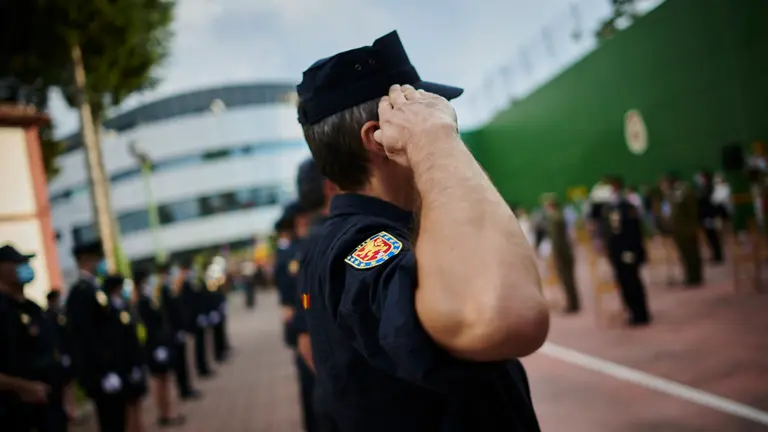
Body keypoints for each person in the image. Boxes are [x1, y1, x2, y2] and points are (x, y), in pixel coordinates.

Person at [295, 31, 548, 431]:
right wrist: (434, 141)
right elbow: (505, 317)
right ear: (377, 139)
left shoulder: (341, 240)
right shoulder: (361, 245)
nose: (445, 124)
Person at [66, 241, 134, 431]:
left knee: (118, 419)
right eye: (97, 259)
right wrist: (104, 371)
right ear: (85, 260)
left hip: (113, 367)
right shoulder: (80, 292)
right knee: (110, 420)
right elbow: (86, 337)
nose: (100, 263)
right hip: (102, 372)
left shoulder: (96, 288)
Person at [0, 244, 65, 431]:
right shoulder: (3, 311)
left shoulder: (33, 308)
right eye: (18, 262)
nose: (25, 266)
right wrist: (25, 387)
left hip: (51, 406)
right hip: (18, 413)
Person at [274, 200, 319, 432]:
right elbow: (297, 292)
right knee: (309, 380)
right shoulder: (291, 251)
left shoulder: (303, 245)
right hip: (302, 313)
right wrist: (295, 310)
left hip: (305, 310)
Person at [135, 269, 185, 427]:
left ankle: (167, 413)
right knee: (160, 381)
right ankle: (164, 414)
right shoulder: (142, 301)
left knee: (165, 380)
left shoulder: (149, 298)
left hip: (159, 345)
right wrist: (156, 347)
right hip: (153, 347)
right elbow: (148, 328)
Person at [603, 178, 652, 326]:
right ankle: (631, 311)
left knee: (633, 283)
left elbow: (634, 231)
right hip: (617, 254)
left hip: (628, 251)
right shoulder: (609, 208)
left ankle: (641, 314)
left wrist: (632, 250)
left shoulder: (627, 206)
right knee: (624, 284)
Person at [102, 275, 148, 432]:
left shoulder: (124, 307)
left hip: (133, 362)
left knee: (136, 402)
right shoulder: (108, 311)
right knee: (126, 408)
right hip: (122, 365)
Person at [158, 263, 201, 401]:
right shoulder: (162, 290)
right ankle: (183, 389)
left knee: (183, 361)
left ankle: (186, 387)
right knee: (179, 364)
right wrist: (175, 331)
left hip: (178, 330)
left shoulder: (171, 287)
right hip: (173, 332)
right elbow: (167, 314)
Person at [662, 173, 703, 286]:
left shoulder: (684, 192)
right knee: (685, 254)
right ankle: (690, 275)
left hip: (686, 228)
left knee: (692, 253)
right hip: (678, 229)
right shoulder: (672, 193)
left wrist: (691, 226)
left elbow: (690, 211)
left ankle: (695, 277)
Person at [542, 194, 580, 313]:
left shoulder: (554, 218)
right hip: (565, 251)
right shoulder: (558, 216)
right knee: (569, 279)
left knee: (566, 279)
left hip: (562, 253)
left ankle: (572, 304)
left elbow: (556, 239)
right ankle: (573, 302)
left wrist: (555, 254)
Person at [45, 289, 77, 426]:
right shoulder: (47, 316)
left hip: (66, 354)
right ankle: (67, 409)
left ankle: (72, 409)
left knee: (69, 384)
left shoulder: (61, 315)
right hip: (57, 356)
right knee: (62, 385)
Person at [178, 259, 214, 378]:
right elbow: (188, 305)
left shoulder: (193, 282)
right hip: (194, 320)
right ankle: (201, 368)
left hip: (199, 317)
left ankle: (203, 366)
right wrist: (194, 318)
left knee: (203, 344)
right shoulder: (184, 284)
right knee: (198, 346)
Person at [695, 170, 724, 263]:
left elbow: (706, 201)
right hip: (706, 216)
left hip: (710, 216)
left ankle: (718, 256)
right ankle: (715, 255)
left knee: (713, 237)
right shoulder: (704, 187)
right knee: (710, 237)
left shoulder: (709, 187)